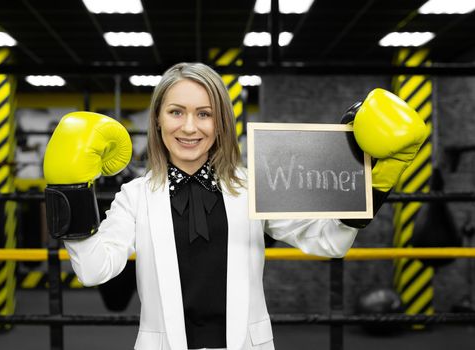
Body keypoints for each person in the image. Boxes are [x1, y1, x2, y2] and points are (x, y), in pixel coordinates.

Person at [43, 62, 427, 350]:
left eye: (204, 114)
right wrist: (70, 190)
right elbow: (93, 270)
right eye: (176, 112)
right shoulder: (135, 195)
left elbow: (330, 242)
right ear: (158, 120)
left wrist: (374, 181)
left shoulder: (253, 186)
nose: (190, 127)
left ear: (221, 123)